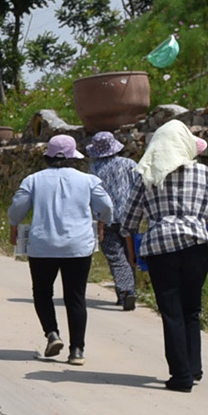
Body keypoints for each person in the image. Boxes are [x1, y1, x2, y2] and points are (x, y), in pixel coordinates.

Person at [122, 119, 208, 393]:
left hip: (160, 248)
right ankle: (194, 368)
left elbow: (129, 221)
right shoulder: (203, 173)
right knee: (192, 309)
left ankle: (180, 376)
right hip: (197, 246)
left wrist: (132, 253)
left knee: (171, 312)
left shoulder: (146, 176)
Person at [7, 134, 118, 366]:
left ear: (48, 157)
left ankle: (52, 334)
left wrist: (14, 225)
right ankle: (77, 350)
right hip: (77, 246)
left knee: (42, 292)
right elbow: (106, 206)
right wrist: (101, 221)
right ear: (73, 157)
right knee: (75, 297)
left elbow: (17, 207)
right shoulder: (88, 180)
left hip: (42, 246)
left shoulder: (33, 180)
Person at [88, 130, 144, 311]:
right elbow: (140, 186)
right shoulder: (129, 164)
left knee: (115, 257)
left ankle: (126, 291)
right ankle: (128, 291)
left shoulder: (94, 169)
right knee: (130, 254)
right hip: (130, 216)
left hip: (106, 219)